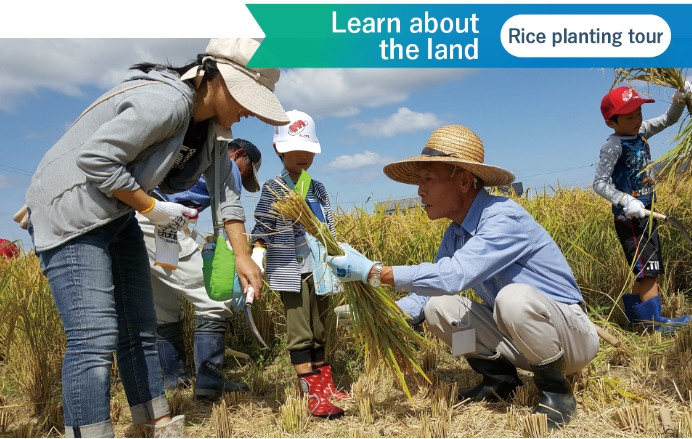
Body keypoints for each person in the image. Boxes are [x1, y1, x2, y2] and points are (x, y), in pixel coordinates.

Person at [25, 38, 288, 438]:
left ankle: (156, 424)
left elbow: (227, 197)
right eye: (249, 97)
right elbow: (95, 159)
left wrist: (242, 254)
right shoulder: (167, 102)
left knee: (140, 327)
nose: (251, 111)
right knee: (94, 337)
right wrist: (152, 208)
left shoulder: (213, 132)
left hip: (116, 213)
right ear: (216, 78)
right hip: (71, 211)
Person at [328, 125, 599, 429]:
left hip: (568, 338)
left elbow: (454, 275)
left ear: (464, 181)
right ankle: (499, 379)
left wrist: (375, 273)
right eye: (419, 181)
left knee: (513, 297)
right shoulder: (455, 234)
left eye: (428, 179)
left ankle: (556, 391)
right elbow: (429, 293)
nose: (420, 191)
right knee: (438, 309)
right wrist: (382, 316)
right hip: (518, 339)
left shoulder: (503, 217)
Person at [139, 138, 262, 397]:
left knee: (164, 308)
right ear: (239, 155)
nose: (242, 177)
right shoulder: (226, 166)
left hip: (138, 217)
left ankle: (174, 379)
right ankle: (209, 380)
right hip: (162, 222)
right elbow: (227, 216)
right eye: (247, 171)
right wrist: (238, 257)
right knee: (214, 300)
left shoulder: (191, 156)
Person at [250, 110, 348, 419]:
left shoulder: (317, 188)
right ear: (279, 149)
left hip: (321, 267)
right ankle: (312, 396)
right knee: (301, 330)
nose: (303, 155)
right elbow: (262, 227)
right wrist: (256, 257)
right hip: (290, 269)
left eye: (308, 150)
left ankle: (325, 386)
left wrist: (338, 260)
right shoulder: (274, 188)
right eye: (296, 149)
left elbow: (329, 228)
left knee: (321, 327)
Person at [593, 85, 691, 332]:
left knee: (644, 270)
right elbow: (599, 183)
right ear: (611, 123)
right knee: (649, 270)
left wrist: (679, 101)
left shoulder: (642, 132)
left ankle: (639, 322)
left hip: (648, 213)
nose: (637, 120)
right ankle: (654, 325)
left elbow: (668, 119)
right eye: (629, 116)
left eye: (638, 113)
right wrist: (625, 200)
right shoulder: (613, 146)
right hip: (630, 219)